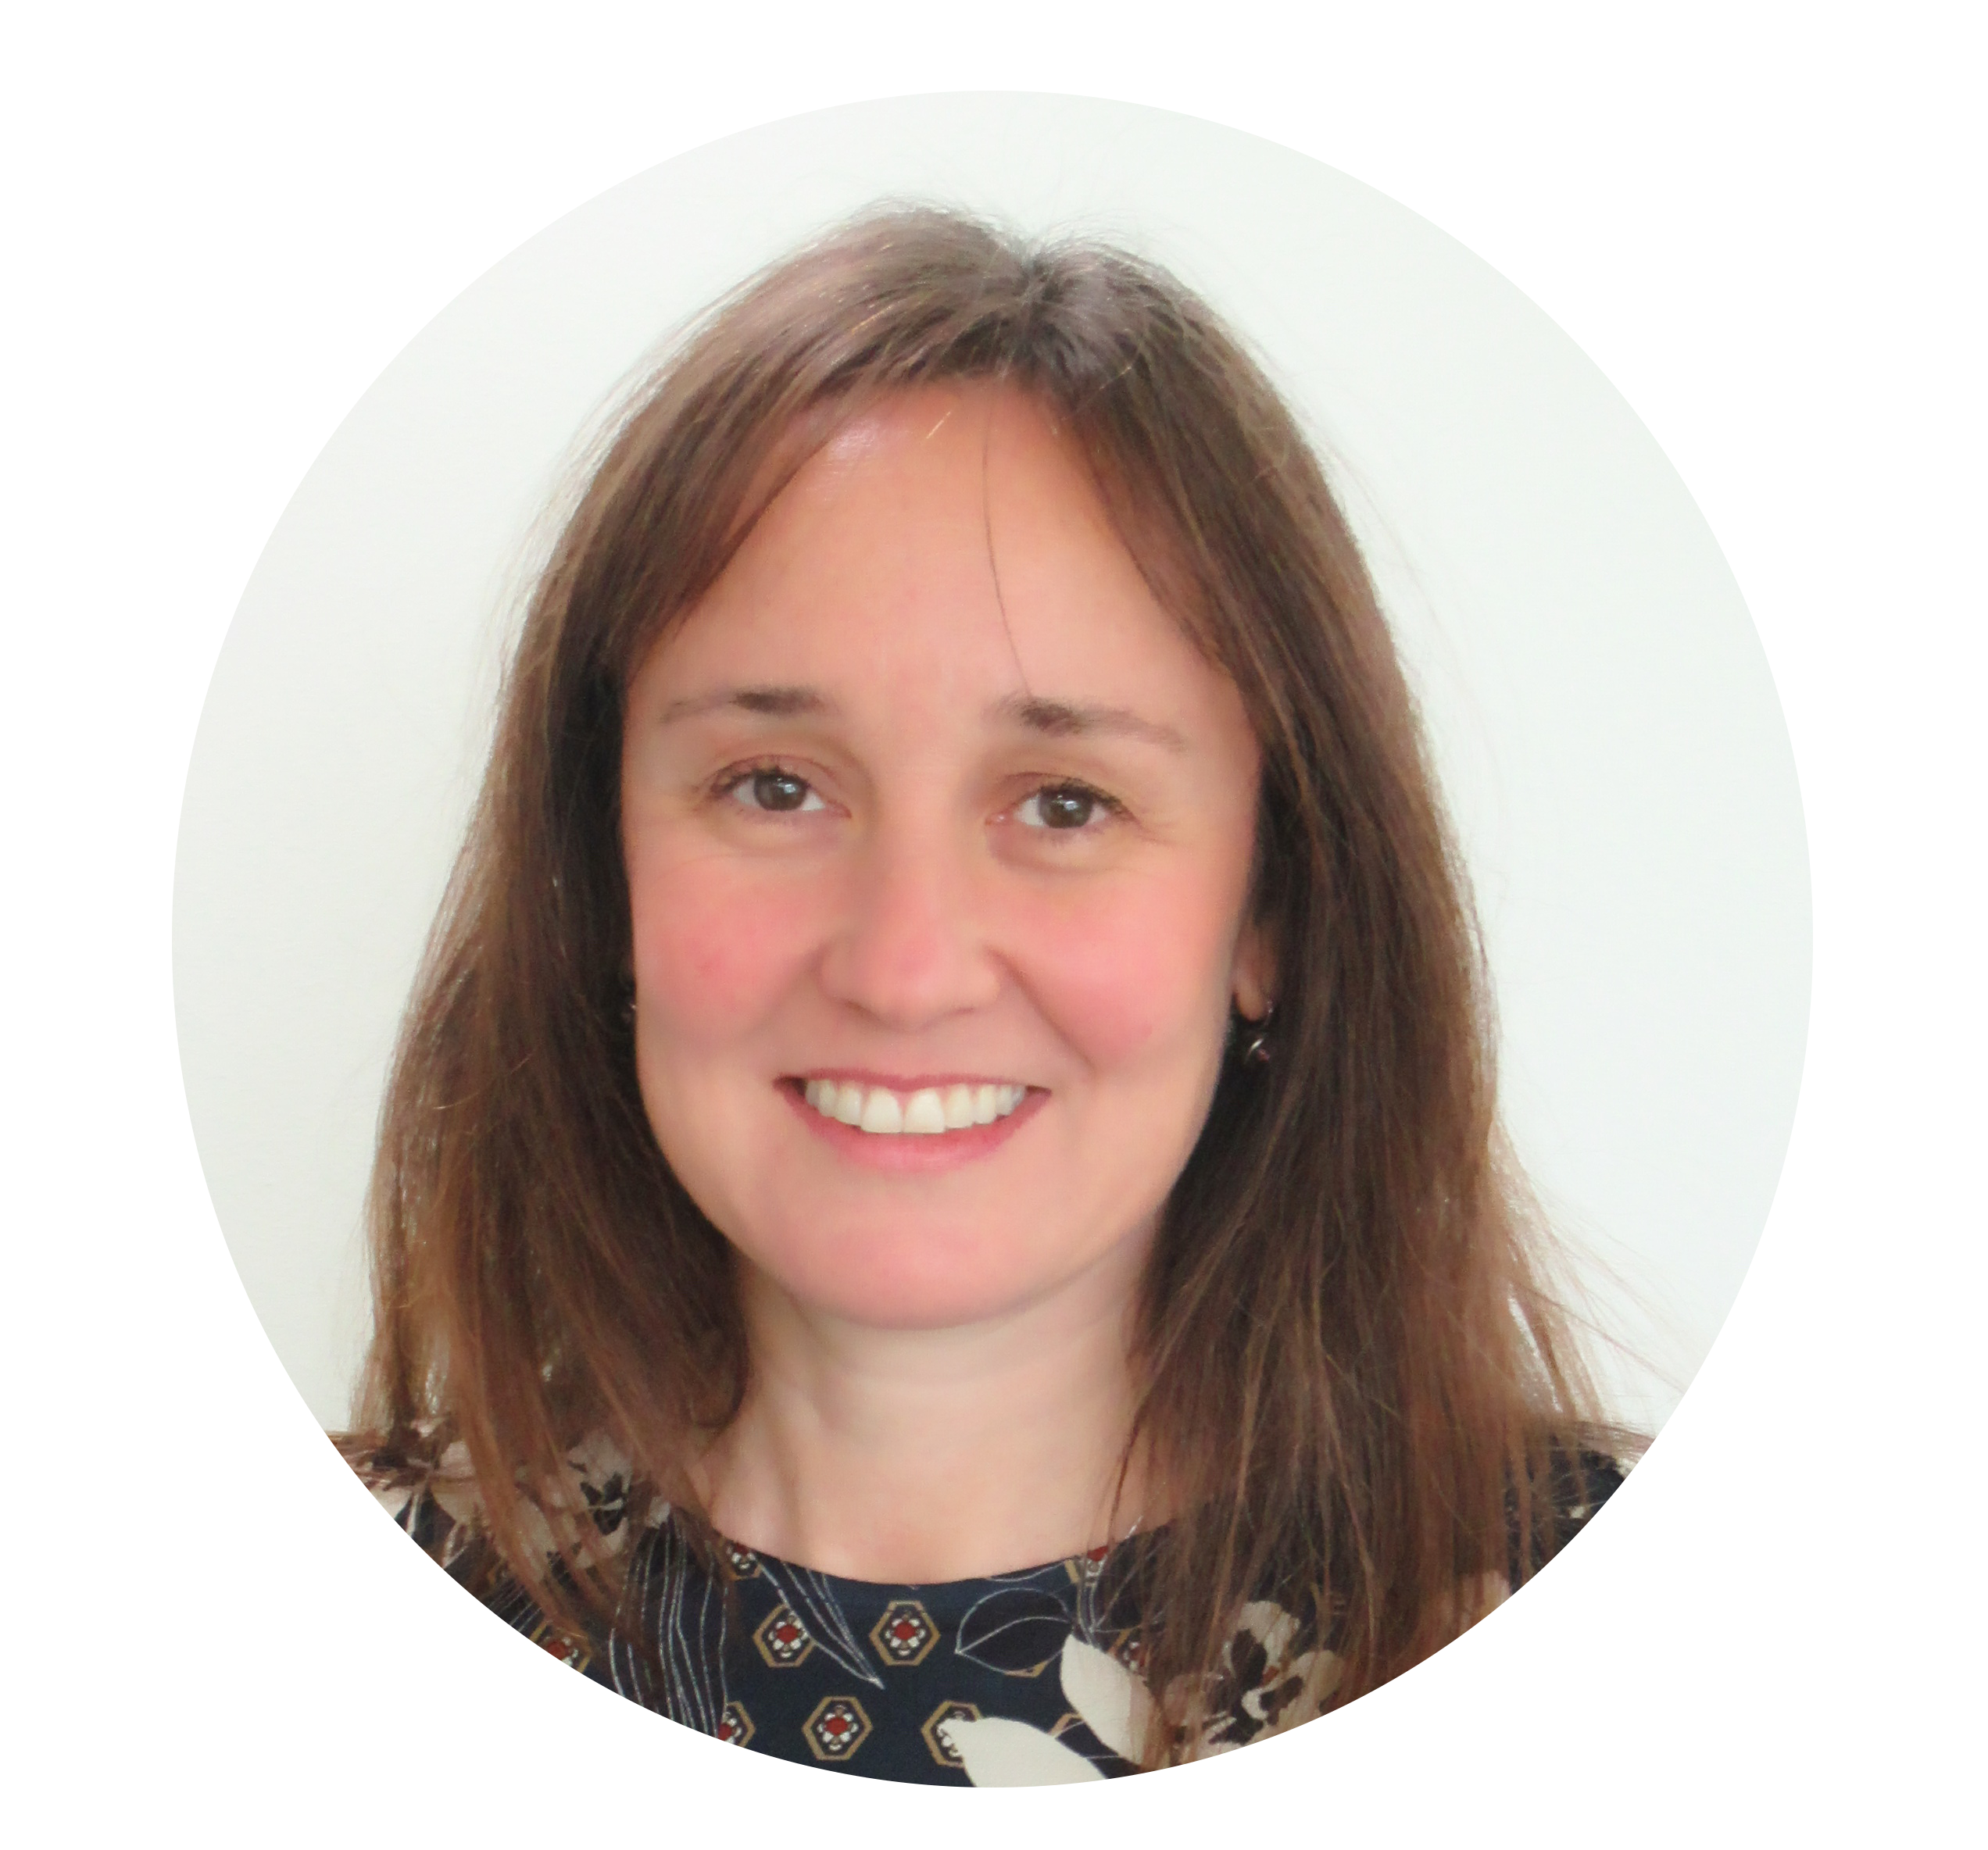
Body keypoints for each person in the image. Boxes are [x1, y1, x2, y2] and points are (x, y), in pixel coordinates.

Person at [178, 202, 1753, 1784]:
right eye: (775, 785)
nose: (905, 967)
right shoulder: (312, 1629)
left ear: (1272, 905)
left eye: (1065, 803)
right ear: (604, 870)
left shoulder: (1671, 1663)